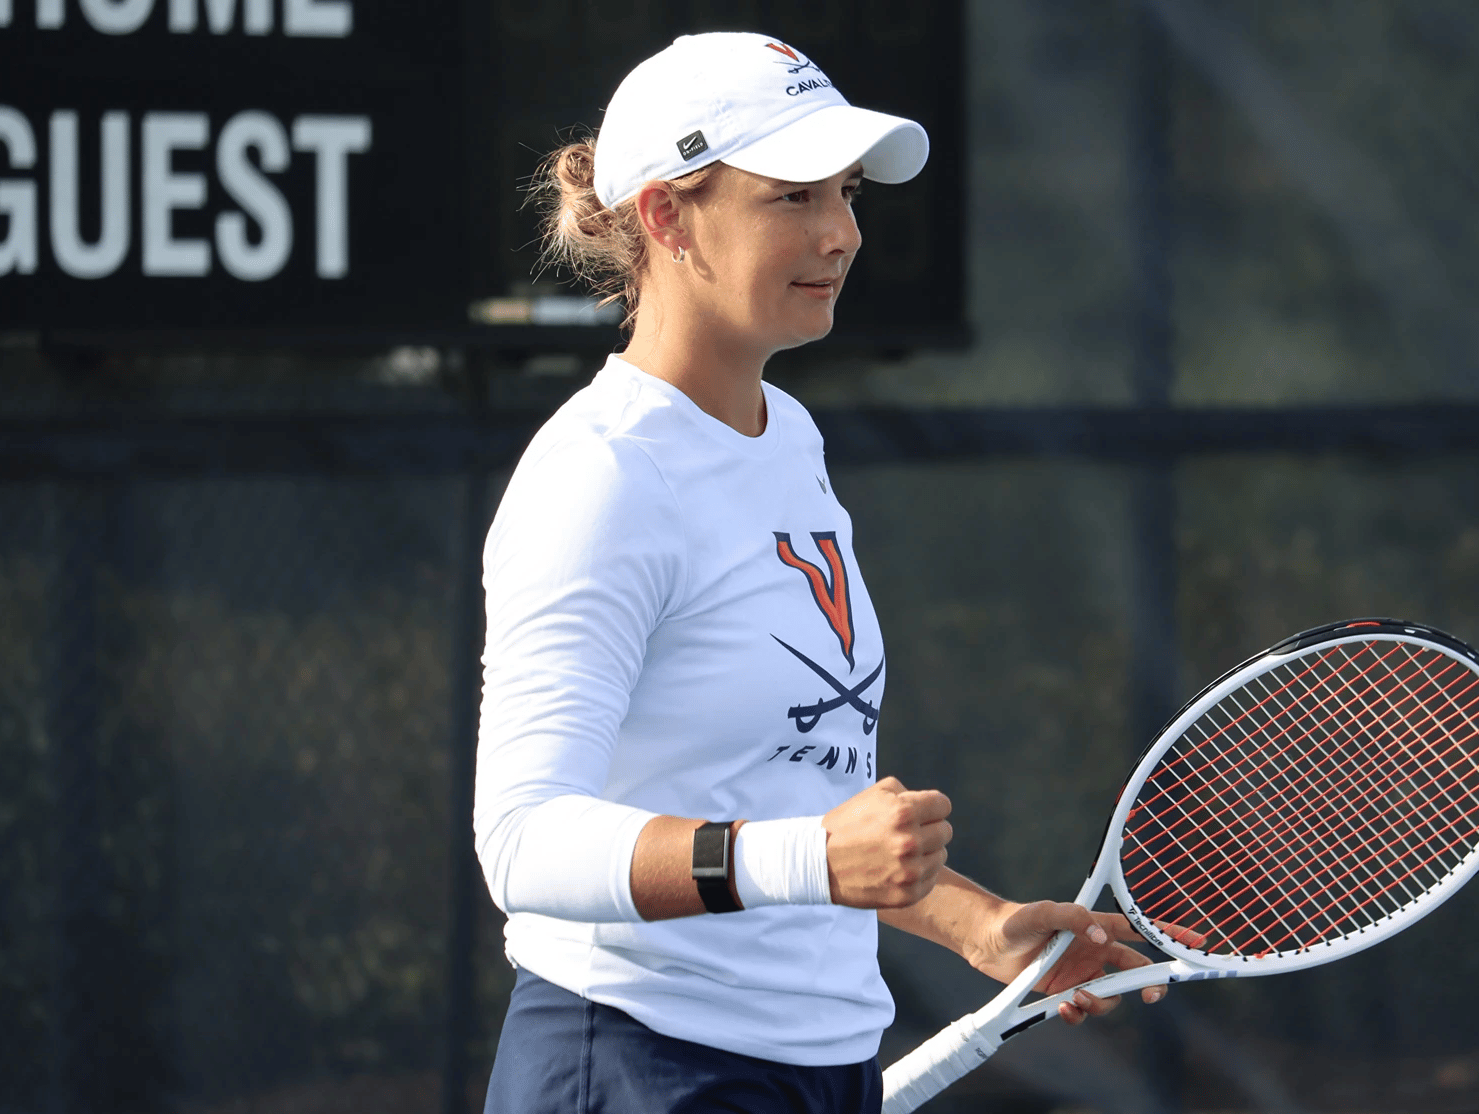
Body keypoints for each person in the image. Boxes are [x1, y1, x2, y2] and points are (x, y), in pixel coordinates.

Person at [474, 32, 1174, 1114]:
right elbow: (523, 841)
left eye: (845, 192)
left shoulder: (789, 439)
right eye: (792, 195)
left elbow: (793, 789)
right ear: (666, 217)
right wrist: (810, 858)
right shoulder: (600, 476)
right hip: (635, 1064)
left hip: (819, 1063)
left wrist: (979, 924)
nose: (841, 231)